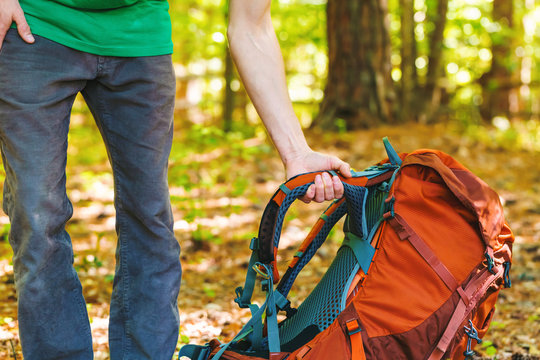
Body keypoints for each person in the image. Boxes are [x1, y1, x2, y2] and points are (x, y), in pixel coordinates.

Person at [0, 0, 350, 359]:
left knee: (149, 217)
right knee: (36, 216)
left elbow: (253, 25)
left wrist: (295, 153)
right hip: (34, 28)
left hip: (140, 37)